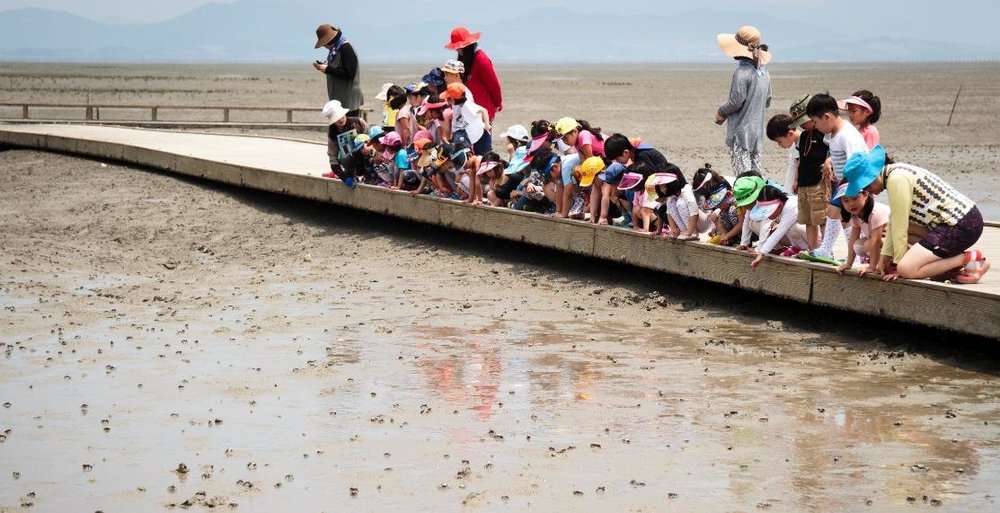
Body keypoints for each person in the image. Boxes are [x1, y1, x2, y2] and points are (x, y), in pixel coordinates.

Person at [843, 145, 989, 284]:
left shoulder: (896, 179)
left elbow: (900, 225)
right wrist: (883, 258)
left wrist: (897, 265)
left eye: (866, 185)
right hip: (958, 221)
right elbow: (894, 222)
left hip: (960, 223)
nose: (868, 190)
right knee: (935, 275)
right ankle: (967, 264)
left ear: (873, 175)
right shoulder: (894, 172)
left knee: (907, 269)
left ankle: (968, 258)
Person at [807, 93, 868, 260]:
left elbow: (857, 162)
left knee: (836, 213)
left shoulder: (847, 136)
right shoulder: (832, 133)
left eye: (816, 122)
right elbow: (836, 153)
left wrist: (853, 190)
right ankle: (853, 256)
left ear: (827, 117)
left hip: (853, 185)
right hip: (843, 184)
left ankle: (840, 253)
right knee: (845, 220)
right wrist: (830, 162)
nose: (815, 126)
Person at [766, 100, 829, 252]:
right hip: (803, 185)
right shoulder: (802, 140)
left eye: (779, 141)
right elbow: (800, 162)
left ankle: (826, 249)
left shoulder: (818, 136)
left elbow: (827, 153)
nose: (779, 145)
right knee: (808, 220)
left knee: (821, 219)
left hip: (817, 184)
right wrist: (796, 181)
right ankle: (813, 249)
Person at [715, 25, 772, 176]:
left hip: (741, 134)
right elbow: (767, 100)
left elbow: (736, 102)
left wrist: (721, 111)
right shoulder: (764, 72)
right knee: (756, 175)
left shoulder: (742, 73)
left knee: (743, 177)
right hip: (756, 133)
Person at [830, 182, 889, 276]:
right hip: (882, 242)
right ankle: (878, 262)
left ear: (865, 194)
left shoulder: (875, 212)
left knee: (868, 245)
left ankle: (882, 264)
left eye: (855, 198)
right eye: (846, 200)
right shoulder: (856, 215)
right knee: (858, 246)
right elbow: (853, 238)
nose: (851, 204)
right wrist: (849, 264)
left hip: (895, 243)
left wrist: (871, 267)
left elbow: (876, 241)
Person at [446, 26, 502, 123]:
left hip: (482, 112)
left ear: (467, 46)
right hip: (469, 111)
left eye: (459, 48)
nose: (457, 51)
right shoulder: (467, 59)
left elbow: (494, 85)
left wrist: (498, 103)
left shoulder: (481, 60)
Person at [747, 185, 809, 269]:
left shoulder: (791, 206)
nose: (768, 216)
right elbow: (765, 227)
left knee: (793, 227)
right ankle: (796, 249)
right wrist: (759, 248)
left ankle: (807, 250)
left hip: (813, 238)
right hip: (802, 236)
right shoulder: (781, 208)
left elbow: (779, 232)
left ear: (779, 205)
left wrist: (761, 253)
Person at [313, 24, 363, 117]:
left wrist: (327, 69)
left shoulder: (346, 48)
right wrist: (324, 68)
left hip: (348, 103)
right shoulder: (336, 49)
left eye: (323, 43)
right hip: (340, 102)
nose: (324, 46)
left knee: (349, 131)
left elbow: (349, 73)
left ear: (329, 41)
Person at [321, 100, 368, 186]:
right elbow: (333, 157)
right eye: (337, 119)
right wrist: (344, 178)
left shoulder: (359, 122)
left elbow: (371, 138)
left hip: (365, 155)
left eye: (342, 116)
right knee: (345, 157)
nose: (341, 120)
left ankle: (369, 176)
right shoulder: (332, 133)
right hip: (348, 159)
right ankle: (352, 176)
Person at [692, 165, 741, 246]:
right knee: (717, 216)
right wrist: (716, 229)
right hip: (726, 208)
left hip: (735, 208)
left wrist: (717, 211)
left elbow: (732, 201)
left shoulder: (725, 183)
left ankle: (733, 237)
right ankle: (726, 237)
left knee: (727, 212)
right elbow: (715, 204)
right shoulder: (713, 191)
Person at [661, 165, 712, 240]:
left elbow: (694, 213)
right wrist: (673, 229)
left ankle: (692, 233)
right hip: (692, 223)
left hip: (704, 222)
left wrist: (689, 232)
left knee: (680, 203)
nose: (662, 187)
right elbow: (669, 212)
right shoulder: (671, 196)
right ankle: (683, 231)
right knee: (670, 201)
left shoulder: (686, 190)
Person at [441, 82, 491, 156]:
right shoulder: (461, 106)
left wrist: (487, 125)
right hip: (472, 135)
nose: (447, 101)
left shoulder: (468, 106)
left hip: (480, 137)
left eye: (449, 99)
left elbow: (484, 110)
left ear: (454, 99)